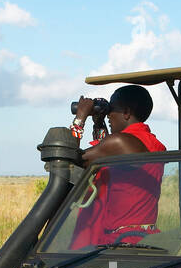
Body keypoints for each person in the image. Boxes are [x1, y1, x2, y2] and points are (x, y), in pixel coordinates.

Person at [68, 86, 166, 249]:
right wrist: (98, 122)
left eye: (111, 109)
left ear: (126, 112)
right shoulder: (152, 143)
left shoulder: (120, 142)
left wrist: (80, 117)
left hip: (119, 241)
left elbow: (70, 158)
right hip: (143, 237)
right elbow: (105, 151)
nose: (108, 115)